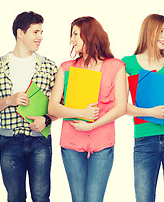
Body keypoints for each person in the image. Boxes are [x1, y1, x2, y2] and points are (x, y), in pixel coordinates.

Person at [0, 11, 57, 202]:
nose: (40, 37)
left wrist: (46, 120)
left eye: (41, 32)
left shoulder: (49, 66)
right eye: (35, 32)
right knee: (15, 197)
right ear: (20, 33)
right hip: (9, 140)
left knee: (41, 197)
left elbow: (61, 105)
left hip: (40, 140)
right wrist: (9, 100)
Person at [48, 16, 127, 202]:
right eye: (72, 34)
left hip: (102, 143)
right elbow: (52, 107)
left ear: (89, 35)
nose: (71, 40)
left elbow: (121, 107)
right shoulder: (66, 68)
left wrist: (91, 125)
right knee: (78, 199)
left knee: (94, 199)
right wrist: (80, 114)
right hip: (71, 143)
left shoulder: (116, 66)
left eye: (75, 34)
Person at [122, 14, 164, 202]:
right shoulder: (128, 63)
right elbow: (120, 106)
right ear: (148, 31)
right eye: (161, 31)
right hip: (145, 138)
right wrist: (149, 113)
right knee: (144, 198)